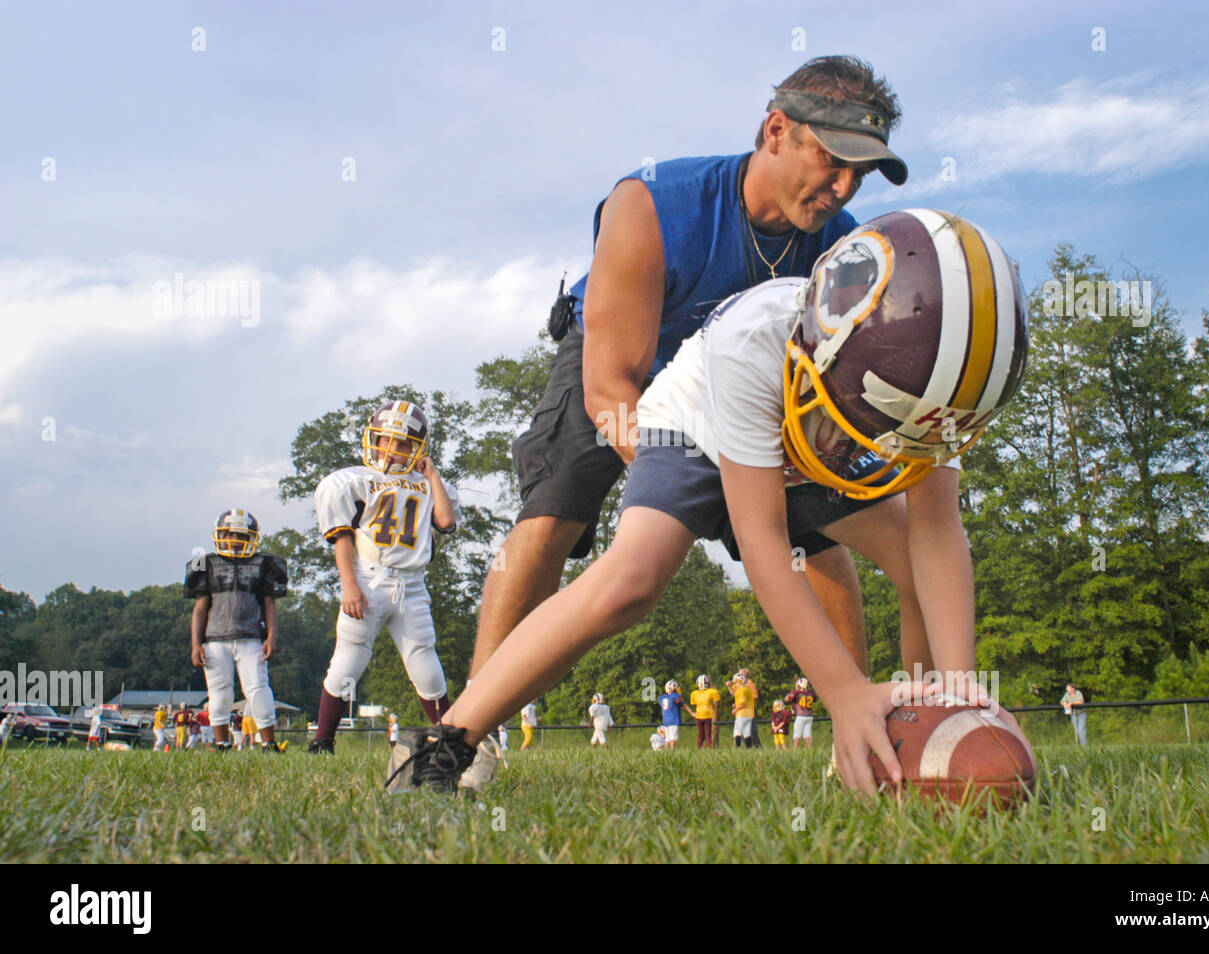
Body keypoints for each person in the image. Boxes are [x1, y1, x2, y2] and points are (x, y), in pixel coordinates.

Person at [387, 210, 1033, 795]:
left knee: (911, 563)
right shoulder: (754, 338)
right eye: (878, 413)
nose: (890, 436)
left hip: (804, 446)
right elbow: (762, 543)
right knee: (630, 580)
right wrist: (844, 693)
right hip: (698, 426)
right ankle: (448, 739)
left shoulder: (946, 363)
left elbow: (937, 531)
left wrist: (959, 688)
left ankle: (923, 730)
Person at [459, 56, 910, 791]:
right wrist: (701, 475)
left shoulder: (842, 250)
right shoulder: (654, 204)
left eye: (858, 176)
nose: (842, 189)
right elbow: (612, 389)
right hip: (622, 358)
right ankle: (470, 730)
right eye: (832, 162)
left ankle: (851, 731)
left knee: (820, 534)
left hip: (744, 381)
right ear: (776, 131)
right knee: (552, 517)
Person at [308, 401, 462, 755]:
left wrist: (433, 476)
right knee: (349, 660)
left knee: (427, 666)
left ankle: (451, 744)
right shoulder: (355, 481)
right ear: (373, 439)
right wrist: (349, 584)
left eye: (403, 443)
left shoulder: (427, 484)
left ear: (418, 449)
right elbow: (342, 536)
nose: (392, 450)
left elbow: (446, 522)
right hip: (368, 580)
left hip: (412, 584)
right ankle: (323, 741)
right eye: (385, 440)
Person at [184, 508, 287, 753]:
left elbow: (269, 604)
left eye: (241, 536)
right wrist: (195, 643)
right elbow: (200, 609)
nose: (236, 541)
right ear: (220, 535)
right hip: (215, 639)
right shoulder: (205, 563)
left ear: (251, 538)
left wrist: (272, 637)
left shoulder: (264, 563)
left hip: (251, 637)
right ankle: (221, 744)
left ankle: (268, 744)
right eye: (230, 535)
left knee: (259, 689)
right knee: (218, 693)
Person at [785, 676, 817, 748]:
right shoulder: (811, 693)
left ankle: (795, 750)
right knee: (807, 734)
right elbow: (814, 700)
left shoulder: (796, 692)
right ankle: (809, 750)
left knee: (797, 735)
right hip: (809, 716)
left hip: (800, 716)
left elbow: (787, 699)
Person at [689, 675, 720, 749]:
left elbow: (693, 703)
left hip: (699, 715)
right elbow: (716, 702)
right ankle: (708, 747)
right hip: (708, 715)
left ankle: (699, 748)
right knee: (708, 734)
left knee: (700, 734)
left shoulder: (694, 693)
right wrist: (713, 706)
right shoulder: (712, 692)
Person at [728, 672, 757, 749]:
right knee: (746, 733)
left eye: (736, 682)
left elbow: (742, 704)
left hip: (742, 714)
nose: (735, 684)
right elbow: (734, 694)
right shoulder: (747, 689)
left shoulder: (742, 690)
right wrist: (729, 687)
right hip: (750, 714)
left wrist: (735, 709)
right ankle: (749, 749)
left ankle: (737, 748)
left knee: (737, 731)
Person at [657, 680, 686, 750]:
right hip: (673, 720)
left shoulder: (662, 697)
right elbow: (683, 706)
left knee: (667, 738)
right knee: (673, 737)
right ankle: (672, 751)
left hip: (665, 720)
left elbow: (660, 702)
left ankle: (666, 752)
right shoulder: (675, 696)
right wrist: (680, 695)